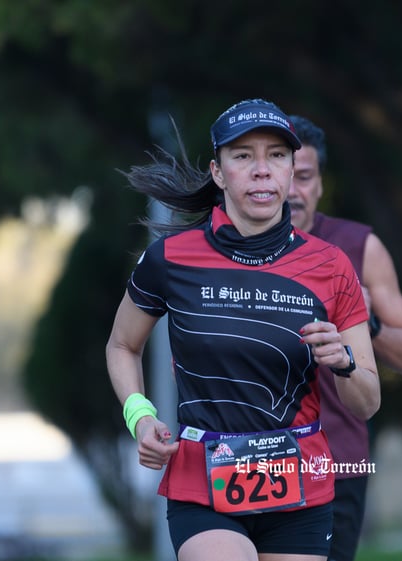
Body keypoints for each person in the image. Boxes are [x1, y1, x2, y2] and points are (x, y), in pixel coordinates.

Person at [105, 98, 381, 561]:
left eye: (276, 155)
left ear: (292, 171)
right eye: (243, 155)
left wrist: (344, 362)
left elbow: (367, 402)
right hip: (202, 484)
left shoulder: (331, 266)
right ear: (218, 172)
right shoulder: (172, 259)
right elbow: (122, 345)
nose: (261, 169)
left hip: (301, 488)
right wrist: (141, 416)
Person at [287, 115, 402, 561]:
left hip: (338, 461)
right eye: (281, 176)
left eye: (303, 177)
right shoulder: (230, 251)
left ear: (320, 184)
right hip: (248, 457)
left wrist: (367, 319)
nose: (291, 191)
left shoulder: (359, 246)